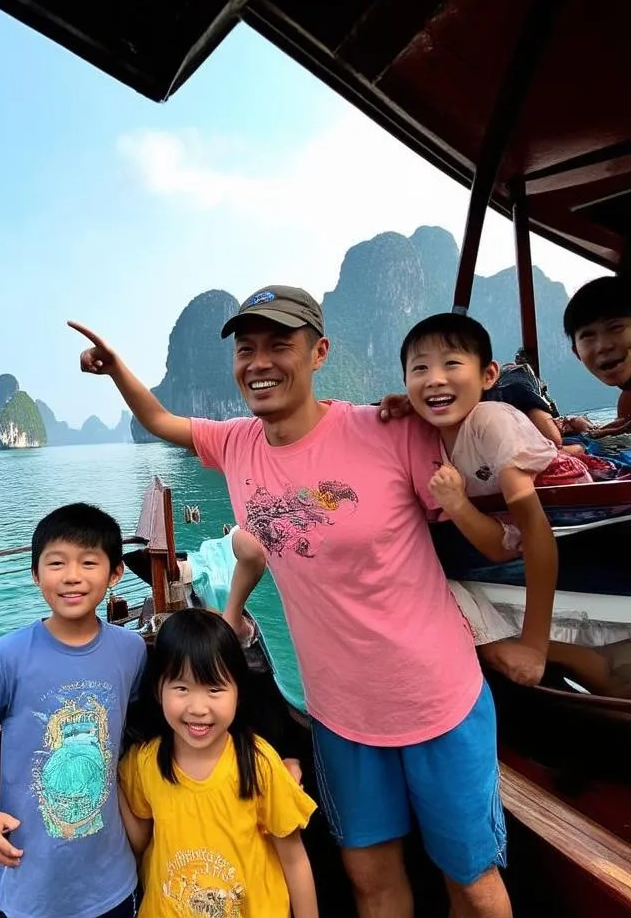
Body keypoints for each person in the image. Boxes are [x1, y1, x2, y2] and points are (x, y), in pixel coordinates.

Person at [69, 288, 513, 918]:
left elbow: (482, 453)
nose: (260, 362)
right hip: (338, 712)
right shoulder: (236, 444)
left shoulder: (387, 430)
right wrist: (116, 369)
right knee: (370, 879)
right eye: (246, 349)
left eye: (280, 344)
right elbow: (164, 423)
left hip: (436, 696)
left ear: (319, 352)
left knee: (471, 880)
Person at [0, 503, 147, 918]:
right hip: (31, 885)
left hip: (113, 879)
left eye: (89, 563)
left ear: (115, 574)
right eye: (56, 563)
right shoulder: (9, 655)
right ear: (36, 573)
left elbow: (132, 730)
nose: (72, 575)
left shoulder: (130, 651)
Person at [399, 312, 591, 678]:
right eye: (419, 369)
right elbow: (500, 545)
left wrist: (535, 647)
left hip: (567, 522)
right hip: (504, 527)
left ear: (488, 376)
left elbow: (534, 532)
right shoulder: (427, 431)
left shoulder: (490, 419)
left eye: (452, 364)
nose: (435, 379)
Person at [118, 608, 318, 918]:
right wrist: (107, 776)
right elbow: (140, 840)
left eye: (214, 689)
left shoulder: (258, 763)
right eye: (181, 688)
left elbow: (294, 859)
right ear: (159, 690)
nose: (198, 708)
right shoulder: (146, 762)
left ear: (238, 691)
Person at [562, 275, 631, 435]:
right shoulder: (627, 401)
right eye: (587, 335)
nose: (603, 346)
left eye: (616, 327)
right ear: (576, 352)